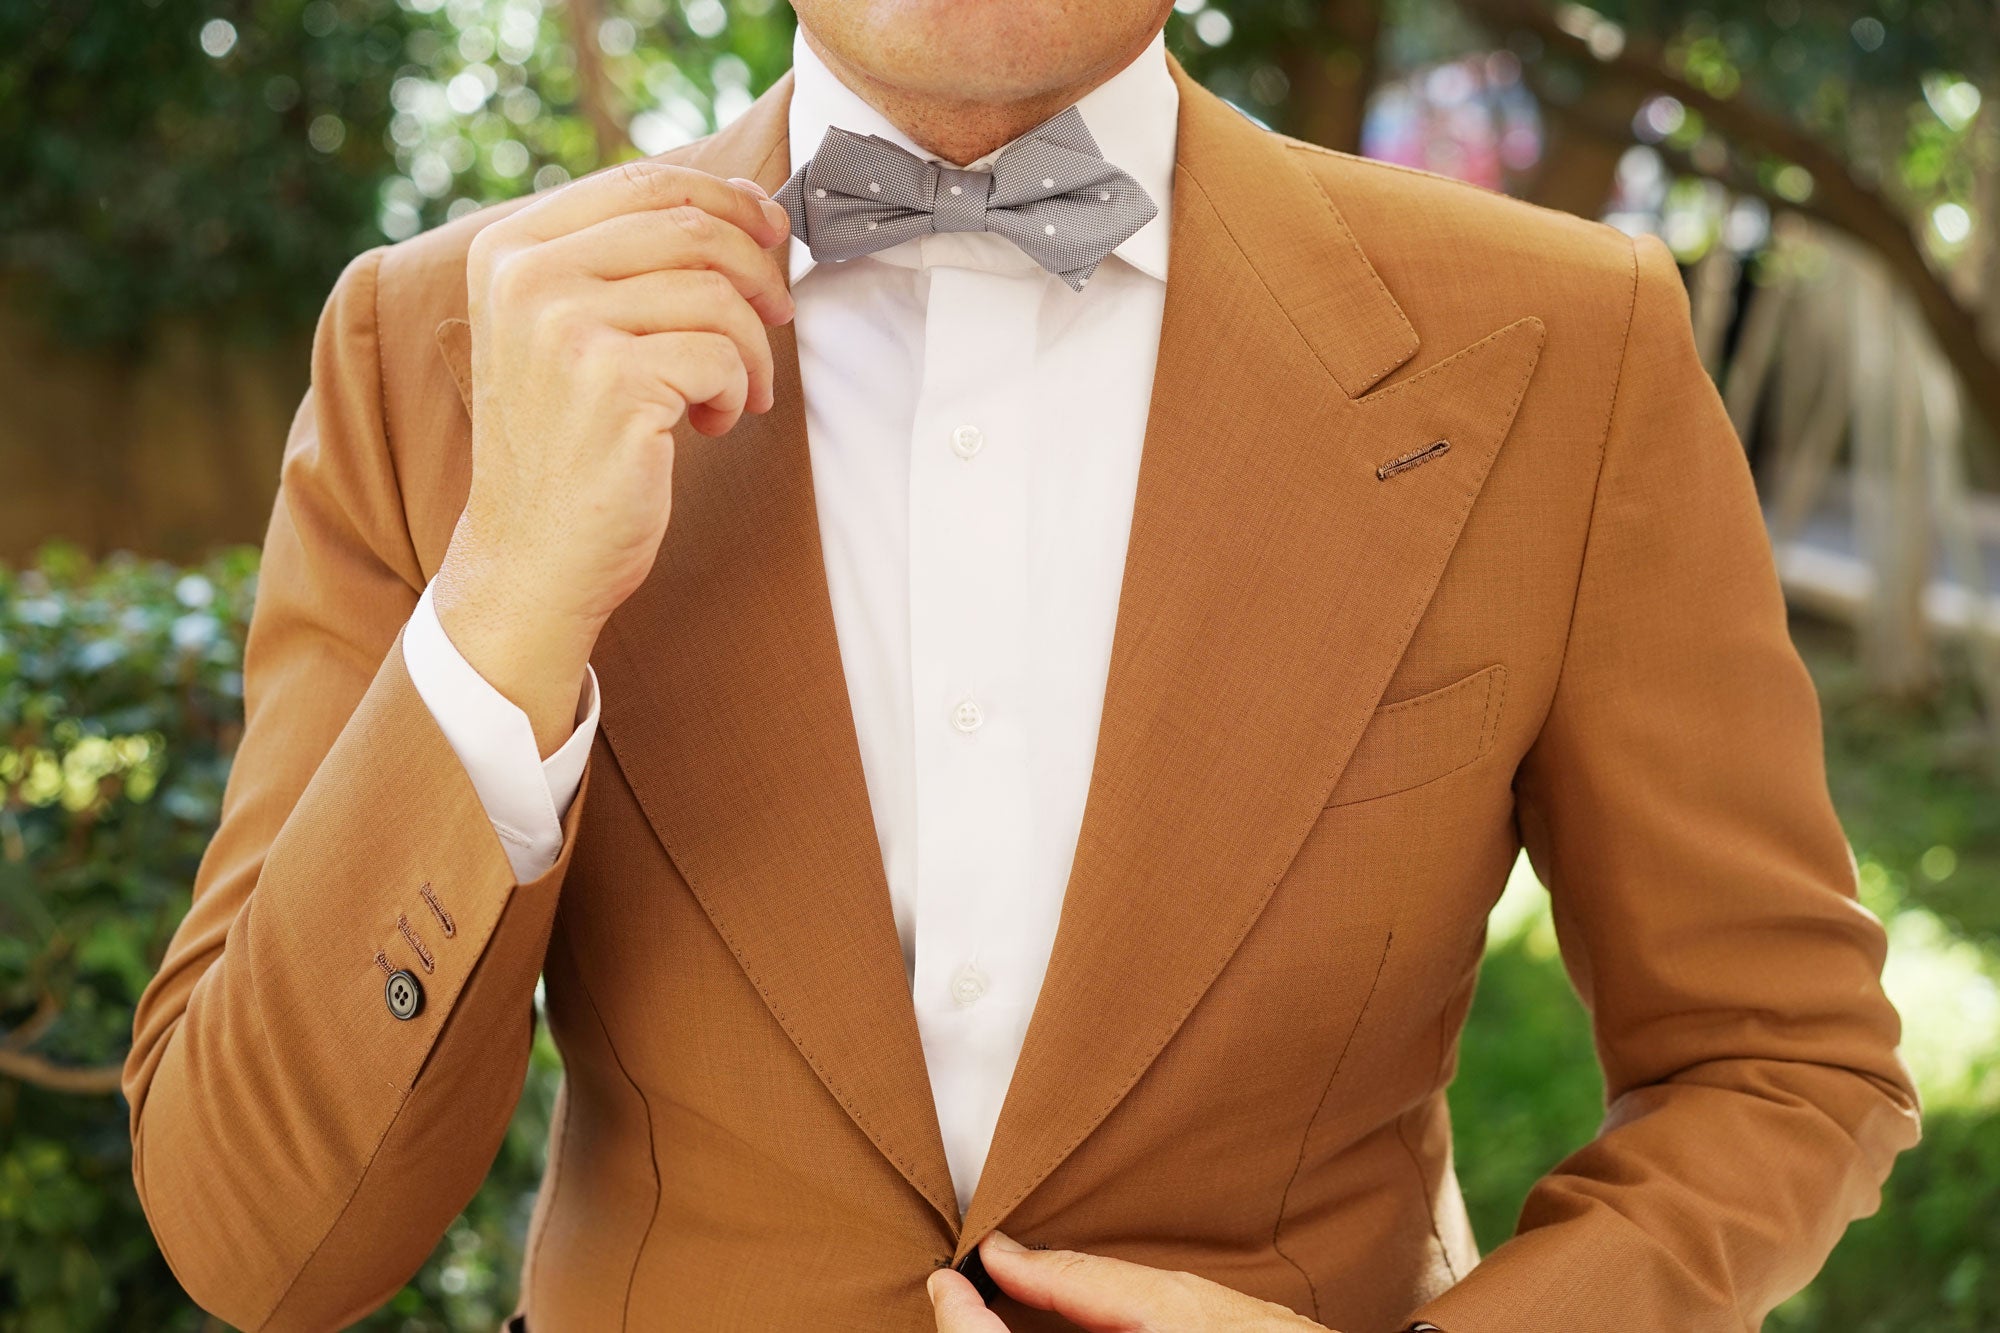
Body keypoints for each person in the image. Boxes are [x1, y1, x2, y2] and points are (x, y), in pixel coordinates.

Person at [123, 0, 1920, 1329]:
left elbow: (1783, 1063)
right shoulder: (430, 346)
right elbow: (256, 1233)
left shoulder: (1569, 343)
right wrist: (508, 598)